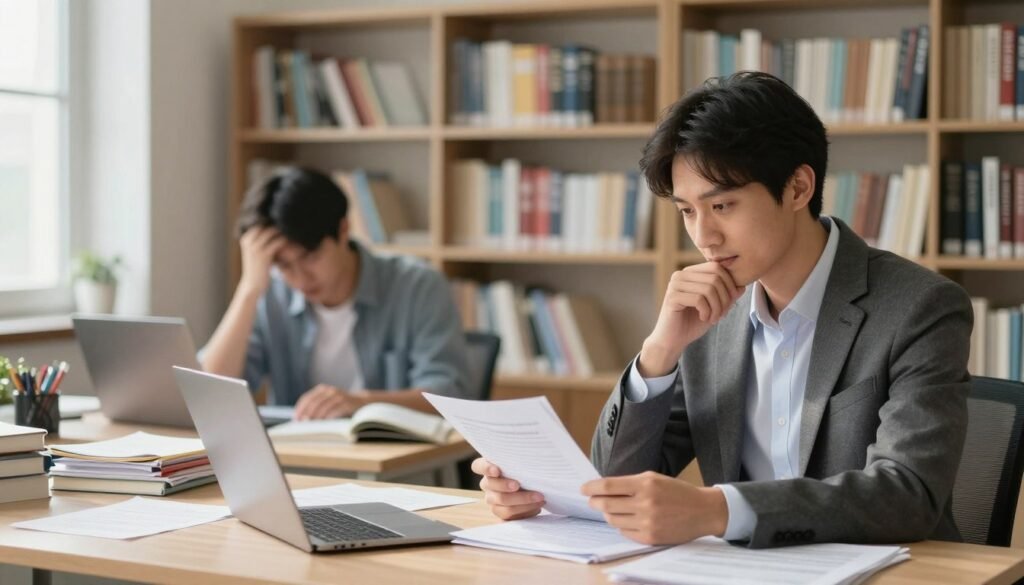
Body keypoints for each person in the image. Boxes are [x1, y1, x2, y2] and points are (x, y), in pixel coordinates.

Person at [472, 71, 973, 548]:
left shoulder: (919, 307)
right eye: (687, 211)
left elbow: (907, 494)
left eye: (722, 206)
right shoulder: (707, 310)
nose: (703, 237)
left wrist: (720, 510)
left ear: (798, 188)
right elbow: (613, 478)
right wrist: (659, 353)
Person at [201, 167, 470, 419]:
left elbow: (450, 395)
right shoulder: (271, 293)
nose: (299, 277)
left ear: (343, 230)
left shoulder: (417, 286)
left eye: (310, 256)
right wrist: (248, 290)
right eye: (283, 264)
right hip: (300, 460)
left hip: (396, 462)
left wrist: (362, 403)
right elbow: (208, 393)